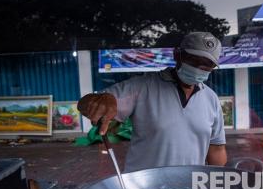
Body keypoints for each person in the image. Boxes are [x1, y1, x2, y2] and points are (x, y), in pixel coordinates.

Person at [77, 32, 227, 172]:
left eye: (207, 65)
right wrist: (103, 100)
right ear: (177, 55)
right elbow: (85, 104)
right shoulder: (142, 87)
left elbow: (216, 149)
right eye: (194, 61)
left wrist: (218, 184)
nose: (200, 68)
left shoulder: (211, 98)